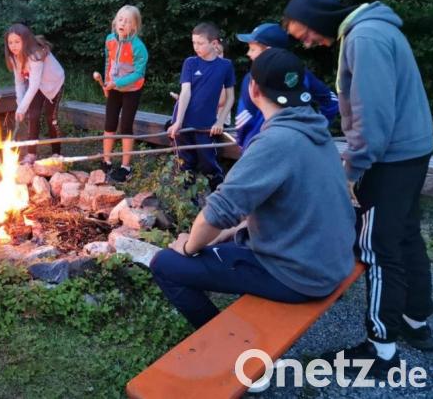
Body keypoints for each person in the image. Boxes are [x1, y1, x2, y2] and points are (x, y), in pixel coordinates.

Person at [283, 0, 433, 375]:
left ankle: (380, 350)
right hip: (411, 149)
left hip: (390, 158)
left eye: (305, 34)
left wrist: (353, 169)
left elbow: (374, 117)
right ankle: (415, 320)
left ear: (318, 19)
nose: (308, 43)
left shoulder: (364, 39)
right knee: (405, 234)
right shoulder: (376, 29)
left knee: (377, 247)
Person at [151, 48, 355, 332]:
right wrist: (230, 232)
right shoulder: (317, 132)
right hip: (331, 261)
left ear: (254, 89)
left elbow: (217, 212)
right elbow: (283, 203)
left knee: (166, 264)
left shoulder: (275, 142)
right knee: (222, 240)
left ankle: (225, 341)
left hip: (301, 276)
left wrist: (186, 246)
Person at [234, 22, 338, 151]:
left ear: (268, 51)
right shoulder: (301, 73)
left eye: (253, 49)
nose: (248, 53)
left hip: (262, 147)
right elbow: (331, 100)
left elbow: (244, 118)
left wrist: (243, 145)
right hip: (302, 145)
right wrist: (319, 127)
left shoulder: (253, 79)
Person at [166, 22, 235, 191]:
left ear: (214, 43)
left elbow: (230, 97)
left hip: (206, 124)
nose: (196, 47)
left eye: (200, 43)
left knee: (208, 160)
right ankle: (188, 197)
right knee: (185, 161)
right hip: (184, 121)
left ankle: (219, 193)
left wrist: (220, 121)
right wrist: (178, 122)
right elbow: (185, 92)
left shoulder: (225, 66)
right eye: (194, 43)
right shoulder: (190, 63)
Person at [5, 23, 65, 164]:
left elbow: (33, 85)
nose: (13, 46)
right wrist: (20, 105)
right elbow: (19, 83)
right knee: (33, 116)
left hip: (53, 84)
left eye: (17, 42)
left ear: (25, 41)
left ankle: (56, 153)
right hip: (37, 85)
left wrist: (22, 108)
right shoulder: (14, 57)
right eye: (10, 42)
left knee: (51, 118)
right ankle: (31, 154)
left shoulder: (35, 55)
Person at [100, 5, 148, 182]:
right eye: (120, 19)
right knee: (109, 124)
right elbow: (108, 62)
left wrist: (117, 83)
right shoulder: (110, 40)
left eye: (127, 21)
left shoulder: (139, 47)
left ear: (134, 26)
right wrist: (107, 83)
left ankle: (125, 167)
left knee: (126, 126)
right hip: (113, 88)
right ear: (115, 21)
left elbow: (138, 74)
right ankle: (106, 160)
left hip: (132, 90)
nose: (123, 23)